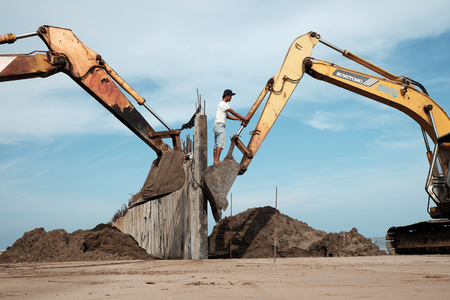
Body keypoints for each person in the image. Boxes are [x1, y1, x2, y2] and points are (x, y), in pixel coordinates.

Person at [213, 89, 249, 164]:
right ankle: (217, 160)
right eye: (231, 96)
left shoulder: (220, 104)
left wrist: (238, 119)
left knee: (216, 144)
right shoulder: (224, 104)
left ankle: (215, 160)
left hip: (216, 125)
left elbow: (228, 116)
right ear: (227, 95)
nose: (231, 98)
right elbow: (233, 112)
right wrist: (244, 118)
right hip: (220, 125)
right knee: (220, 142)